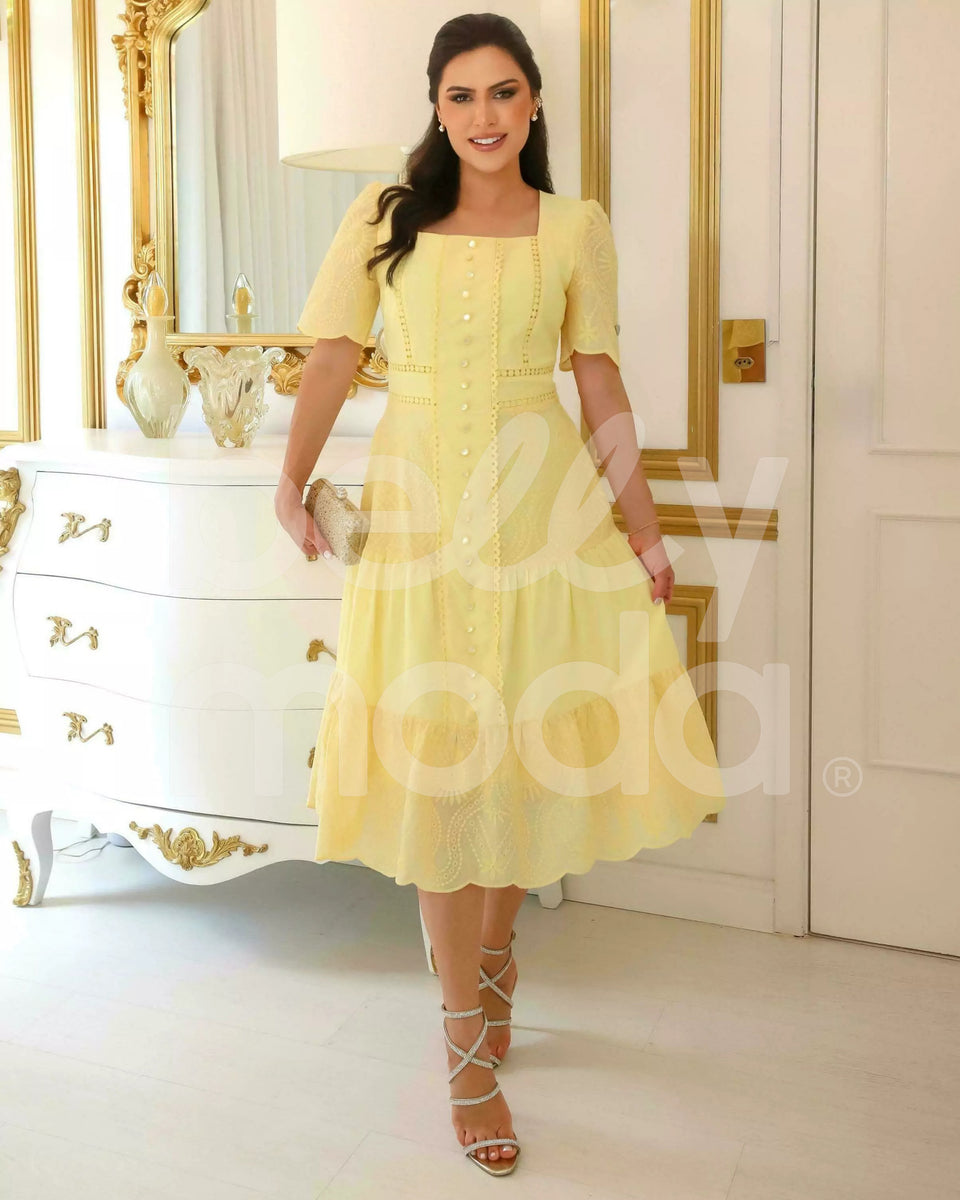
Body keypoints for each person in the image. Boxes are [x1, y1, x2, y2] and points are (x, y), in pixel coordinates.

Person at [275, 12, 726, 1177]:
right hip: (419, 511)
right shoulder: (384, 217)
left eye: (504, 92)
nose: (484, 115)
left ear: (533, 105)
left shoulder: (575, 227)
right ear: (437, 109)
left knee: (523, 748)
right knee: (440, 761)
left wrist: (644, 526)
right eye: (462, 95)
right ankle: (465, 1045)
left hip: (543, 512)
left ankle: (491, 949)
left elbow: (598, 379)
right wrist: (290, 478)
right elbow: (333, 354)